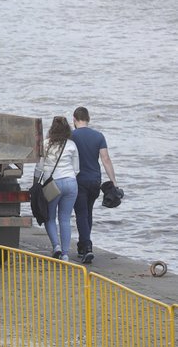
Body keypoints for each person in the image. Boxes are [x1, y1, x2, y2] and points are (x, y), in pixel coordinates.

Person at [71, 106, 117, 264]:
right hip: (95, 180)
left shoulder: (71, 136)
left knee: (81, 214)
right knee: (88, 212)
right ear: (88, 119)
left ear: (74, 119)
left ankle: (87, 247)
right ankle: (82, 245)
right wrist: (113, 182)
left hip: (79, 180)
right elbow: (106, 159)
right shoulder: (98, 136)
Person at [39, 116, 79, 261]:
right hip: (70, 183)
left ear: (52, 129)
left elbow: (40, 168)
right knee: (65, 219)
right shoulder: (71, 145)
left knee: (50, 217)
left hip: (52, 185)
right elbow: (77, 169)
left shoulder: (45, 144)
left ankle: (56, 246)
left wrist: (36, 184)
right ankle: (66, 254)